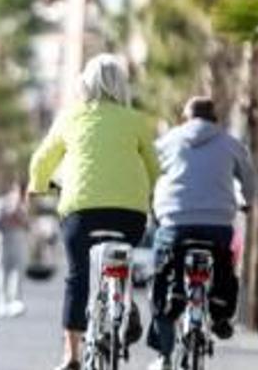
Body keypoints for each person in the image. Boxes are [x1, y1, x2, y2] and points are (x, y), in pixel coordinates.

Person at [29, 54, 160, 370]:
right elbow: (155, 168)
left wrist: (37, 186)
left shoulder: (71, 117)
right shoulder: (136, 120)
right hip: (130, 215)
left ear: (84, 84)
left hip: (81, 213)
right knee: (122, 259)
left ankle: (71, 355)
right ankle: (124, 302)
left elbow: (42, 160)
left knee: (77, 277)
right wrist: (153, 192)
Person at [146, 97, 258, 370]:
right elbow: (249, 178)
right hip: (217, 225)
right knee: (223, 266)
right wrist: (248, 201)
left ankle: (164, 348)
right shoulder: (231, 144)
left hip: (174, 223)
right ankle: (220, 314)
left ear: (186, 117)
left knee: (161, 274)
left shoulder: (168, 141)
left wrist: (151, 198)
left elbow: (148, 170)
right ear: (214, 119)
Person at [0, 182, 30, 318]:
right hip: (3, 242)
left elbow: (28, 225)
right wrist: (6, 218)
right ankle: (2, 303)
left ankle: (15, 302)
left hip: (19, 243)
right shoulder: (1, 203)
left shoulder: (24, 205)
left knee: (18, 273)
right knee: (2, 273)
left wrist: (19, 219)